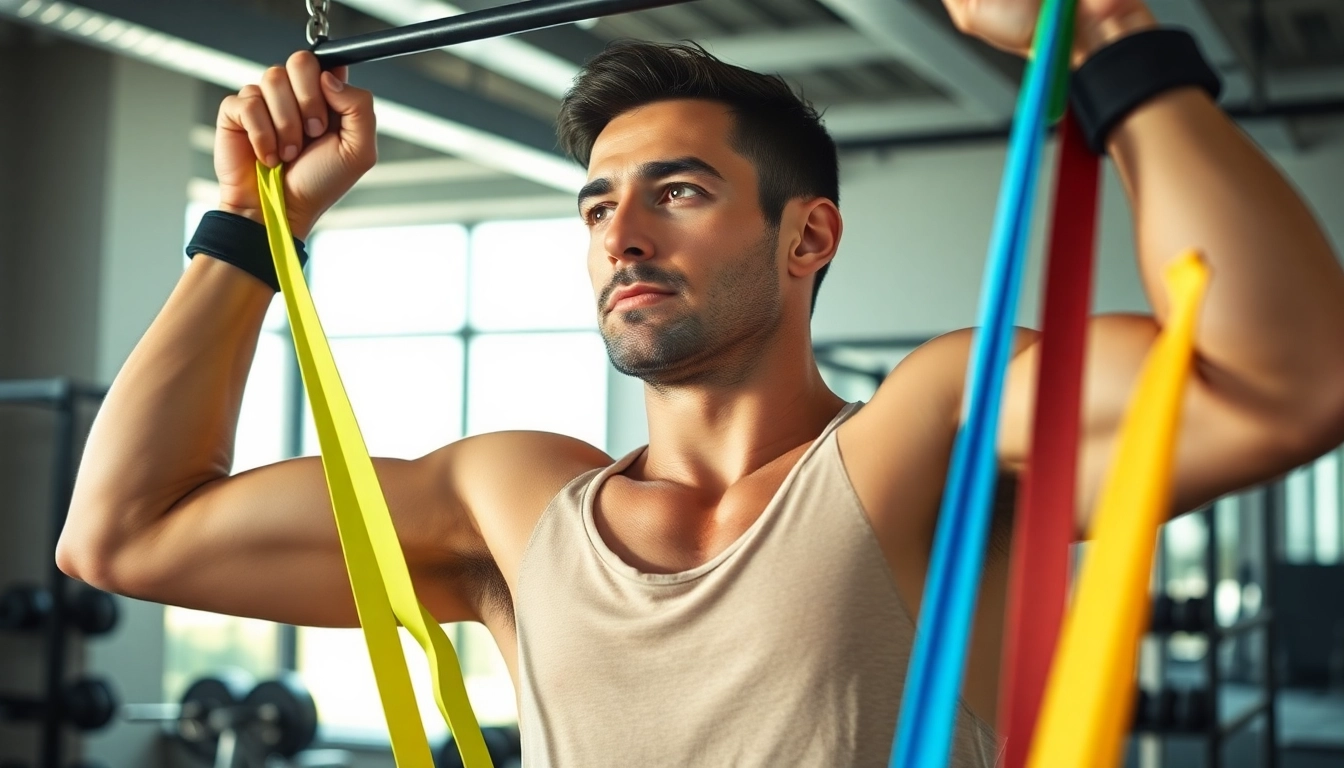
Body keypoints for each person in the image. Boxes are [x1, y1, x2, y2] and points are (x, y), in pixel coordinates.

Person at [59, 0, 1344, 763]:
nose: (622, 236)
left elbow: (1283, 379)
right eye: (598, 205)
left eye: (678, 192)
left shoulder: (925, 439)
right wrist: (246, 224)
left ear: (809, 238)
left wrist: (1109, 35)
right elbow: (123, 533)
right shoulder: (513, 503)